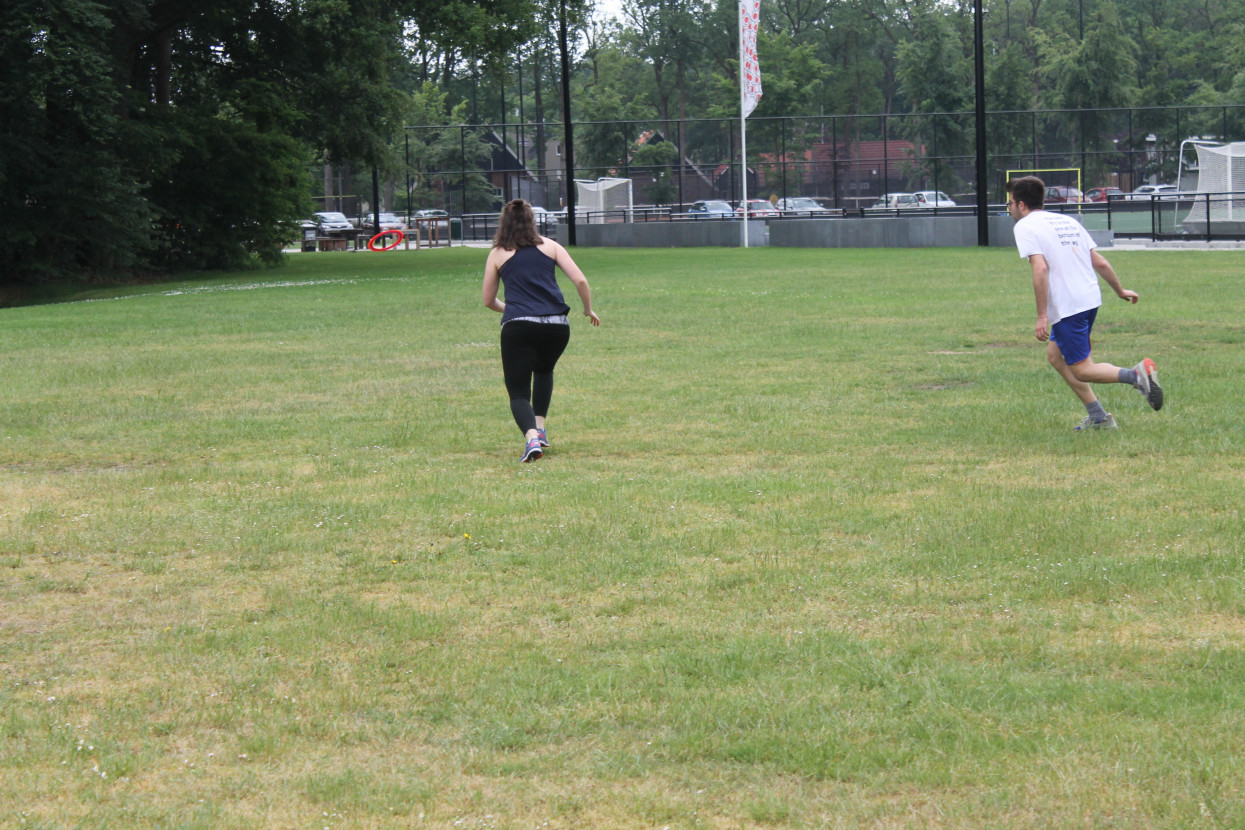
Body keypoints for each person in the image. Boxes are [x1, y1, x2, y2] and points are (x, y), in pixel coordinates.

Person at [1005, 176, 1163, 430]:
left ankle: (1137, 376)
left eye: (1010, 203)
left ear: (1021, 204)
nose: (1010, 209)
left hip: (1069, 306)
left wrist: (1041, 316)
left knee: (1082, 369)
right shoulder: (1066, 221)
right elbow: (1098, 261)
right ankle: (1099, 417)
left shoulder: (1024, 227)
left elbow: (1040, 269)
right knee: (1056, 357)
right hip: (1089, 299)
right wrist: (1119, 289)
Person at [483, 199, 600, 462]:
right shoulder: (551, 246)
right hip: (557, 326)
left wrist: (514, 310)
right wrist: (587, 309)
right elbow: (580, 279)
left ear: (504, 223)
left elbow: (488, 300)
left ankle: (531, 439)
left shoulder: (498, 252)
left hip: (519, 326)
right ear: (531, 220)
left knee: (518, 391)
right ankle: (541, 428)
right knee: (544, 370)